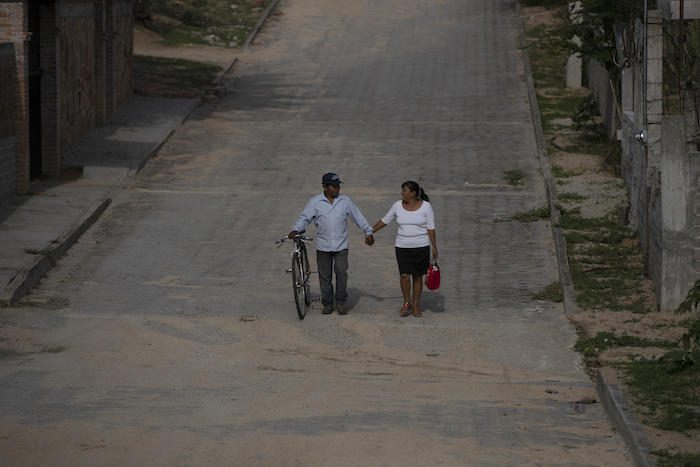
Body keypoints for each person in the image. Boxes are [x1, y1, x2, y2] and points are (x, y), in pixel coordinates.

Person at [288, 173, 375, 315]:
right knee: (325, 276)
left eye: (338, 186)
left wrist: (368, 231)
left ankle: (340, 301)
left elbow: (357, 217)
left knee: (341, 272)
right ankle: (327, 304)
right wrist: (296, 229)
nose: (337, 189)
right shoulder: (315, 202)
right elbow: (304, 218)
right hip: (323, 247)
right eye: (334, 186)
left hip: (341, 246)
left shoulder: (345, 201)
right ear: (324, 187)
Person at [371, 181, 438, 317]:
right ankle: (407, 302)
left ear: (413, 193)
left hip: (421, 247)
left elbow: (430, 227)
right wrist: (370, 231)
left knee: (418, 276)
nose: (402, 193)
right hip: (402, 247)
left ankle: (415, 305)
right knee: (404, 275)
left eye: (404, 191)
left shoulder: (426, 207)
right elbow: (385, 220)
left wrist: (434, 247)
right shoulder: (397, 206)